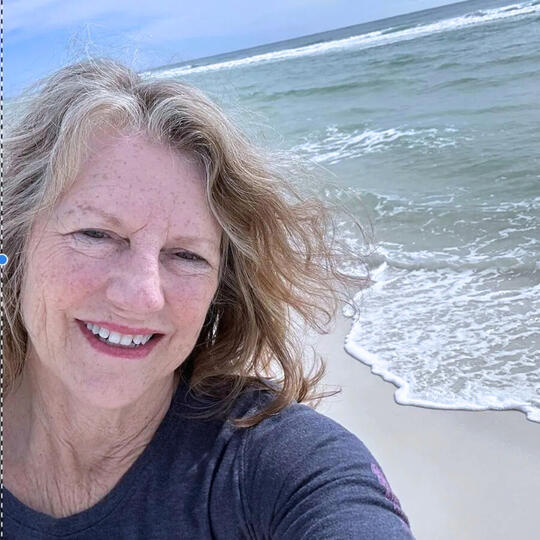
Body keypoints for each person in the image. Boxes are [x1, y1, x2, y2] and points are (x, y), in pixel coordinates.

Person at [3, 58, 414, 539]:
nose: (142, 295)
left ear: (220, 291)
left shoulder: (277, 466)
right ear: (15, 241)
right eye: (96, 234)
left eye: (186, 255)